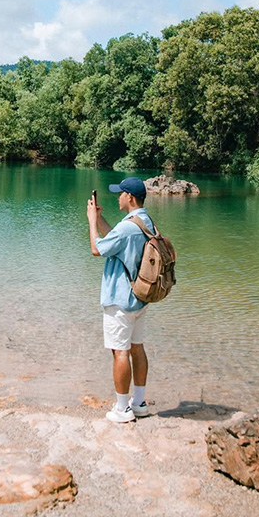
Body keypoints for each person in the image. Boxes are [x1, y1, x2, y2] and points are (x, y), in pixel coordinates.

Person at [87, 176, 153, 423]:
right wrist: (101, 219)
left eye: (121, 193)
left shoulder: (127, 228)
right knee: (137, 348)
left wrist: (92, 221)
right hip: (139, 299)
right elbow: (114, 238)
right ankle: (140, 402)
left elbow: (97, 249)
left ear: (131, 198)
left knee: (120, 352)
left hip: (120, 301)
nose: (118, 197)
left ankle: (123, 408)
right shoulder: (144, 222)